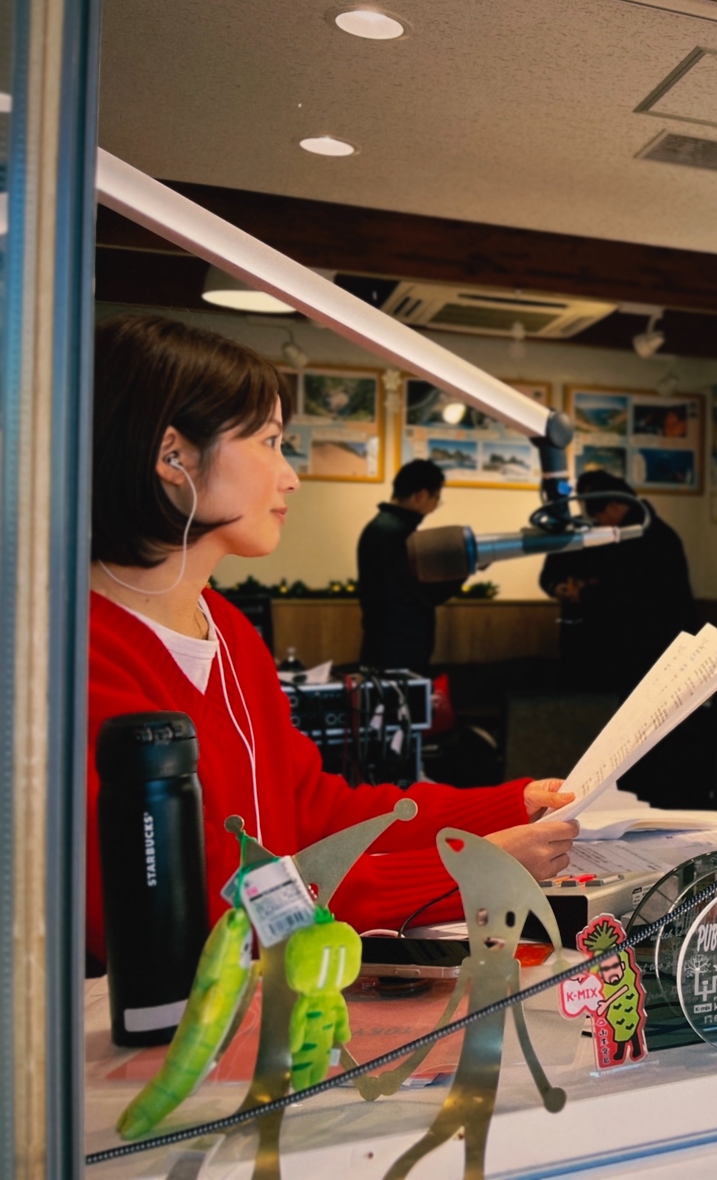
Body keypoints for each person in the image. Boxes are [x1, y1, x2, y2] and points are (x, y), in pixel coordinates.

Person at [86, 315, 578, 967]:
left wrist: (509, 804)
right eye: (269, 442)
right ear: (174, 456)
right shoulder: (75, 658)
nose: (290, 477)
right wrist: (465, 870)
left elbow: (317, 810)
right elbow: (198, 908)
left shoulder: (229, 631)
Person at [538, 469, 703, 806]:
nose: (591, 522)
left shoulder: (654, 538)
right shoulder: (591, 531)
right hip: (595, 655)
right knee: (596, 743)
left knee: (637, 750)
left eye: (596, 514)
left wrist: (586, 593)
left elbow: (642, 598)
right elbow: (550, 572)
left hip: (644, 659)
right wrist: (560, 588)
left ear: (615, 505)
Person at [357, 458, 460, 675]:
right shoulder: (398, 535)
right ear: (421, 496)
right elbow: (427, 593)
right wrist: (464, 567)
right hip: (398, 652)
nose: (434, 507)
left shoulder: (380, 527)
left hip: (382, 646)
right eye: (436, 499)